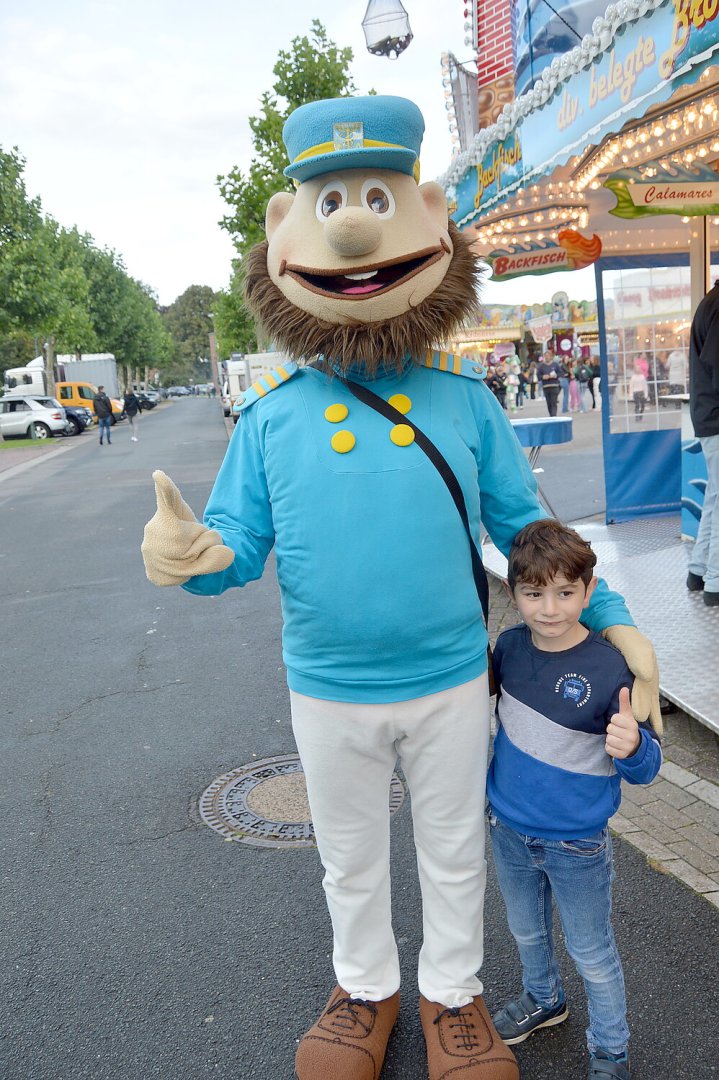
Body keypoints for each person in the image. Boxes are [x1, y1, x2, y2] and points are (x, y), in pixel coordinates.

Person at [141, 95, 660, 1080]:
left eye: (374, 198)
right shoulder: (271, 421)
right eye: (328, 199)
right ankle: (364, 986)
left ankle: (451, 995)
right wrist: (194, 557)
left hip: (450, 679)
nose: (348, 223)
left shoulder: (465, 405)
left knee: (455, 846)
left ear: (423, 210)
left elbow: (528, 535)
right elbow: (239, 546)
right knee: (347, 852)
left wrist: (616, 622)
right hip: (327, 683)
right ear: (281, 233)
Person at [488, 519, 662, 1080]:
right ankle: (544, 999)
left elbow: (647, 769)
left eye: (566, 592)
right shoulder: (509, 648)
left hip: (578, 844)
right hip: (509, 831)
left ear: (590, 592)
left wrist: (633, 746)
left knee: (592, 952)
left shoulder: (612, 666)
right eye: (534, 593)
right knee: (526, 931)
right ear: (513, 593)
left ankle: (611, 1048)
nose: (550, 608)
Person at [687, 280, 719, 606]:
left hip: (709, 418)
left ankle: (698, 571)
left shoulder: (710, 301)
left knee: (714, 499)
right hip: (716, 418)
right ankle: (715, 582)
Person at [536, 350, 561, 416]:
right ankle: (551, 415)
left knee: (553, 402)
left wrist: (555, 375)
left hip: (554, 385)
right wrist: (543, 377)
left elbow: (560, 373)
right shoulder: (541, 366)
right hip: (546, 386)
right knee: (549, 403)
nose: (547, 357)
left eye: (548, 356)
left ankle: (554, 416)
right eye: (545, 356)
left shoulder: (555, 365)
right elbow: (538, 376)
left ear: (551, 357)